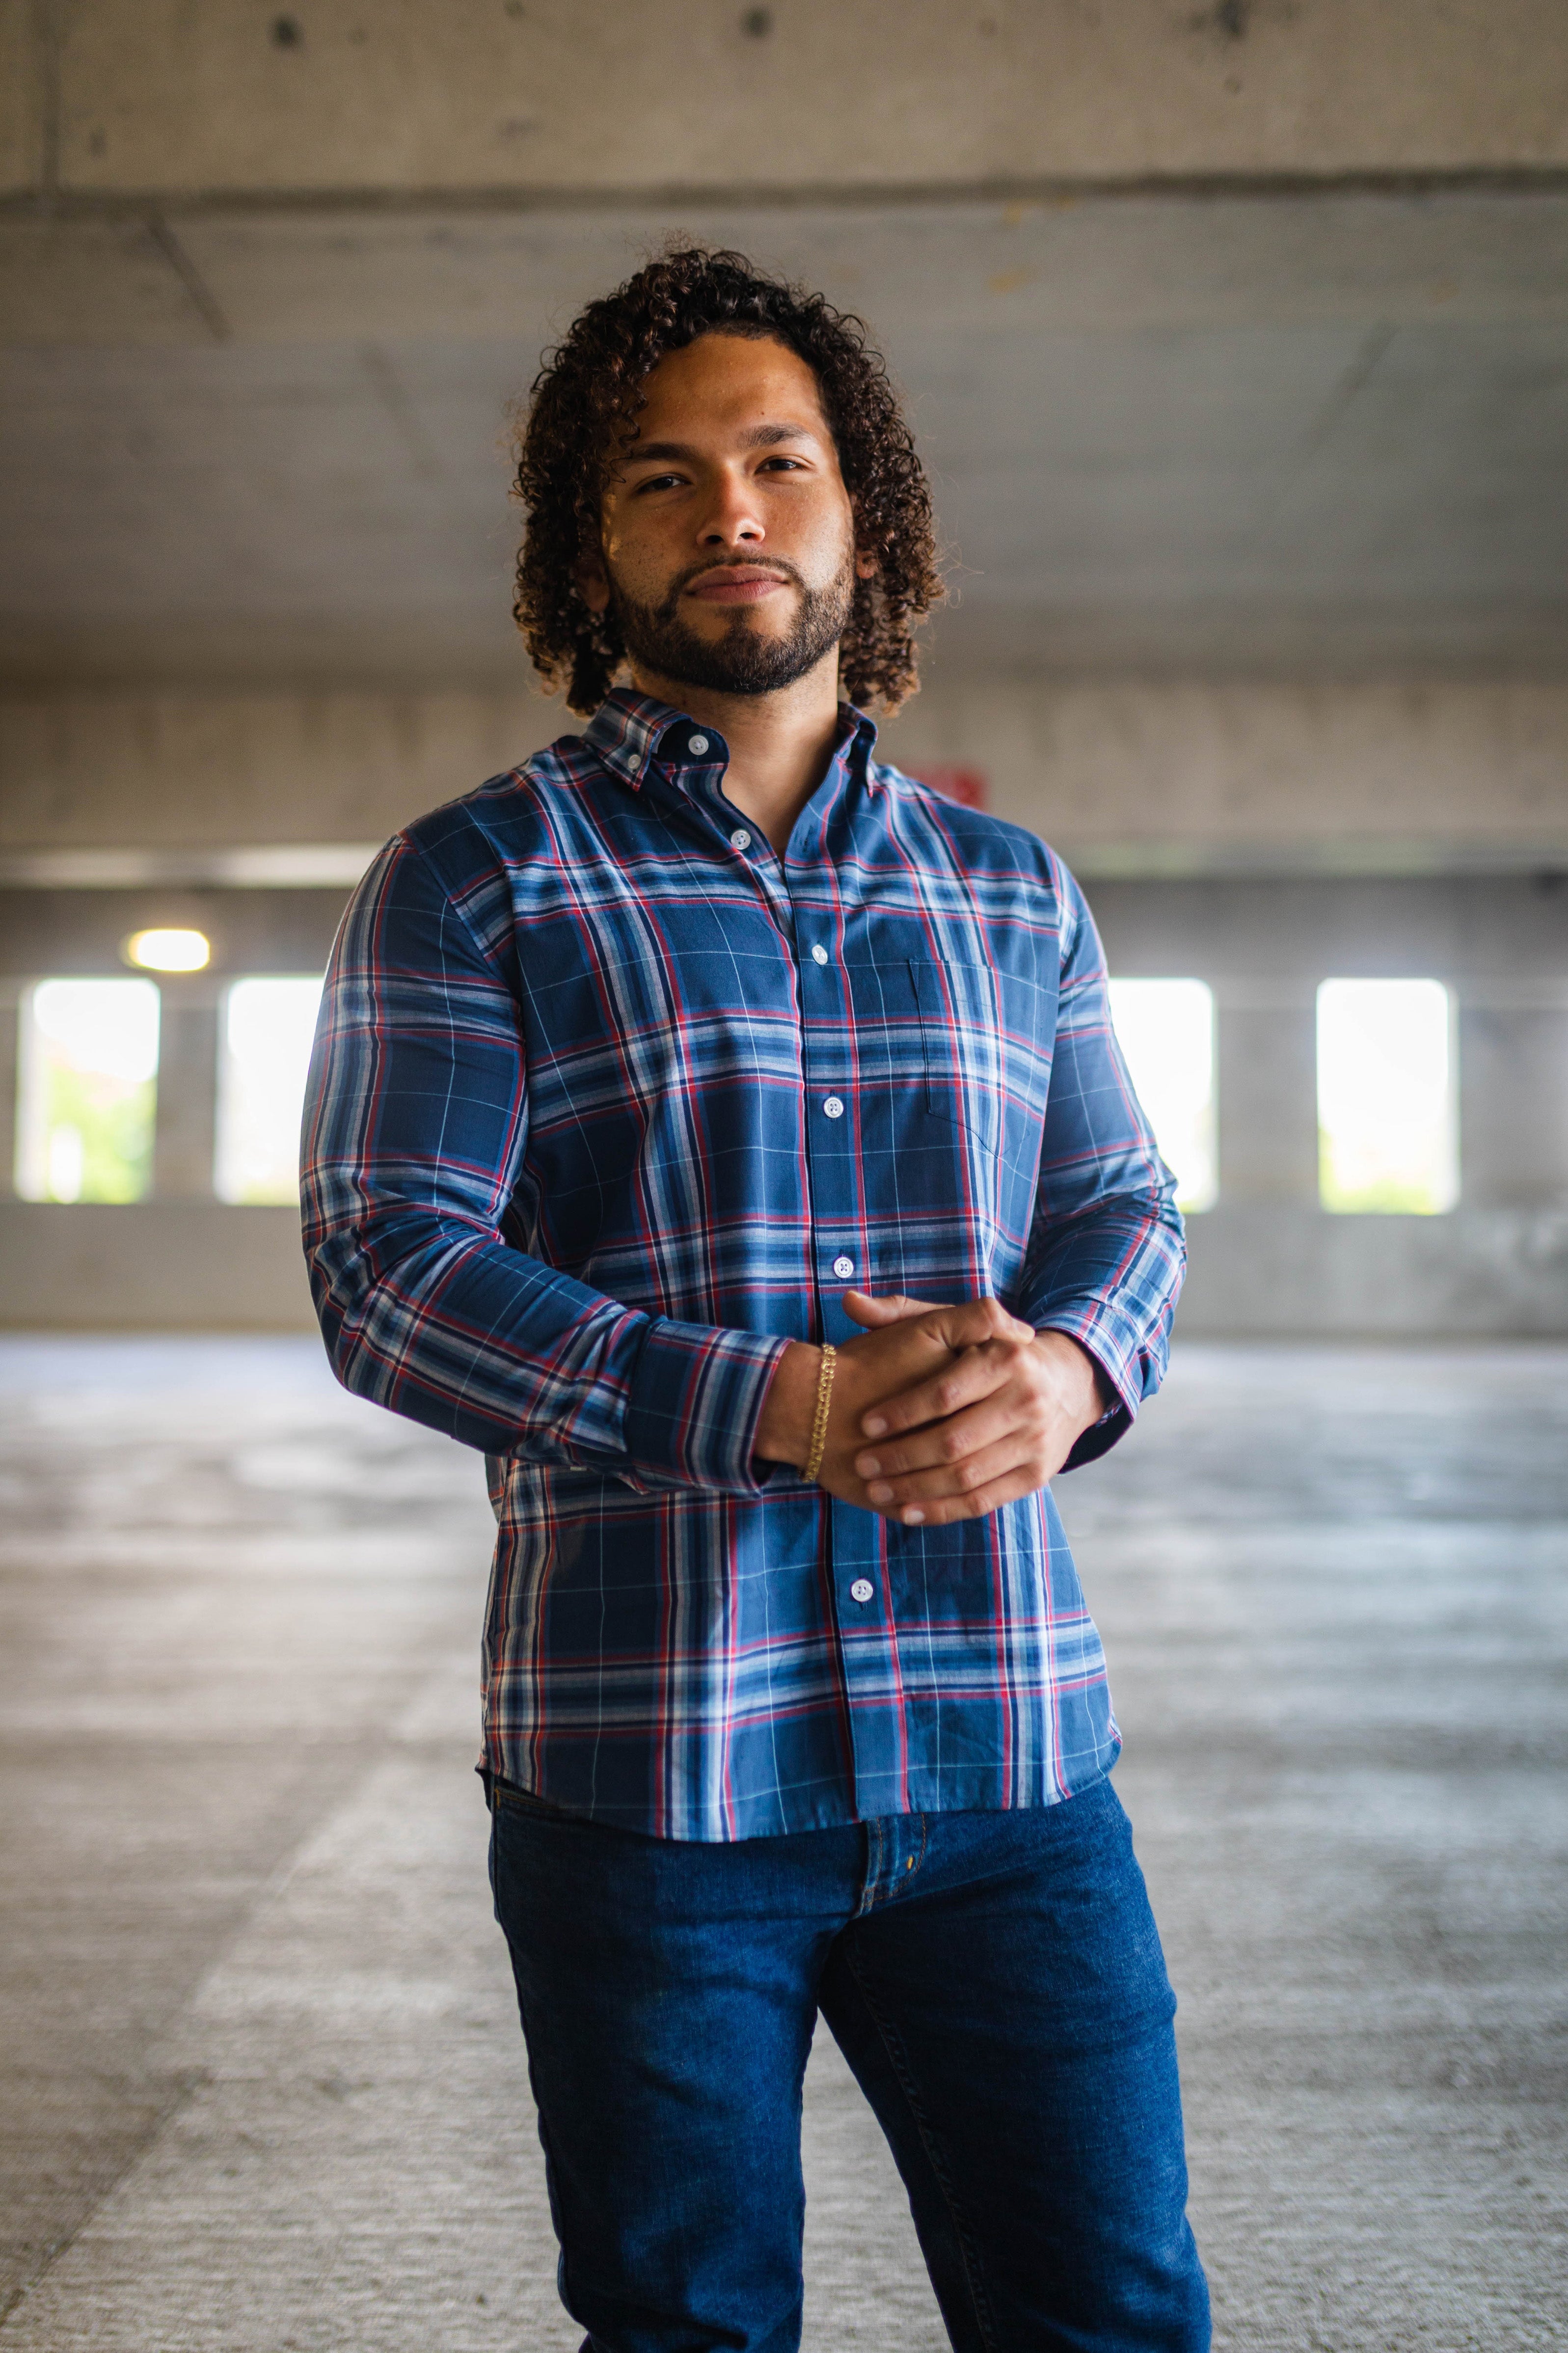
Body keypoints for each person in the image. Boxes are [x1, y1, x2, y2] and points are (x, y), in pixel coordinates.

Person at [300, 246, 1208, 2353]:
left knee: (1111, 2314)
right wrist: (781, 1406)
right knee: (687, 2330)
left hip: (1008, 1768)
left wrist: (1074, 1370)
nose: (729, 512)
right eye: (660, 478)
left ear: (859, 517)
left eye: (778, 463)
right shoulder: (474, 878)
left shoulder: (1012, 892)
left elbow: (1126, 1202)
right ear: (582, 545)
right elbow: (387, 1271)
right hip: (649, 1789)